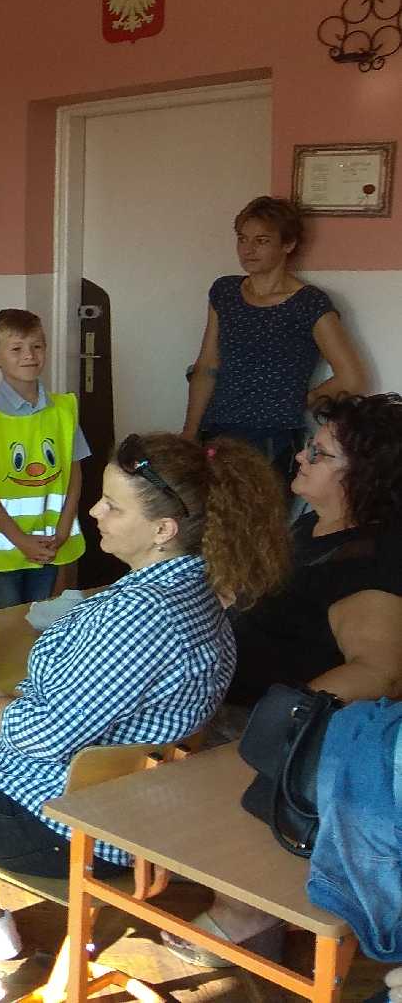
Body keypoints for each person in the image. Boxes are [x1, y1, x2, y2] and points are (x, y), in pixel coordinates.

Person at [0, 432, 290, 1003]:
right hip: (109, 803)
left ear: (163, 530)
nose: (94, 511)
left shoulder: (142, 617)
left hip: (68, 823)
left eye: (113, 505)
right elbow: (72, 700)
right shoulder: (191, 593)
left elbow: (47, 733)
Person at [167, 391, 402, 965]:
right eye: (307, 447)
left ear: (363, 474)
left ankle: (249, 912)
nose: (300, 457)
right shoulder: (317, 527)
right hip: (240, 698)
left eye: (319, 454)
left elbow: (378, 672)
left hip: (275, 725)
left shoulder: (373, 559)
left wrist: (279, 722)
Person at [184, 194, 366, 483]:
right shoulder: (225, 291)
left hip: (273, 438)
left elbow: (351, 378)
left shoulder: (309, 303)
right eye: (242, 239)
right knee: (210, 509)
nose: (248, 250)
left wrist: (300, 401)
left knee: (261, 512)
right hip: (217, 429)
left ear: (288, 244)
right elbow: (207, 365)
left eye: (262, 241)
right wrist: (190, 432)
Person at [0, 309, 87, 610]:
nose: (29, 355)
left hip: (50, 540)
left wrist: (63, 529)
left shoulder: (64, 409)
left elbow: (74, 474)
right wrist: (21, 540)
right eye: (16, 348)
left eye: (37, 346)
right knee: (2, 623)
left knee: (39, 618)